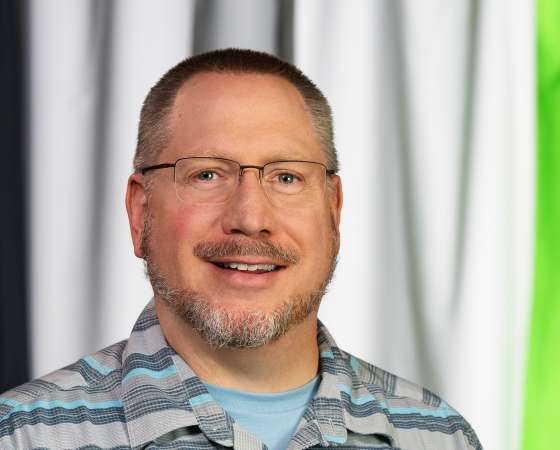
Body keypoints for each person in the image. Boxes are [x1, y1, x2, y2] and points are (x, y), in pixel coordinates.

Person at [0, 49, 481, 450]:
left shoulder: (439, 436)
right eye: (207, 174)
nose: (250, 218)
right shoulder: (23, 436)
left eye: (286, 177)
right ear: (140, 212)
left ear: (333, 210)